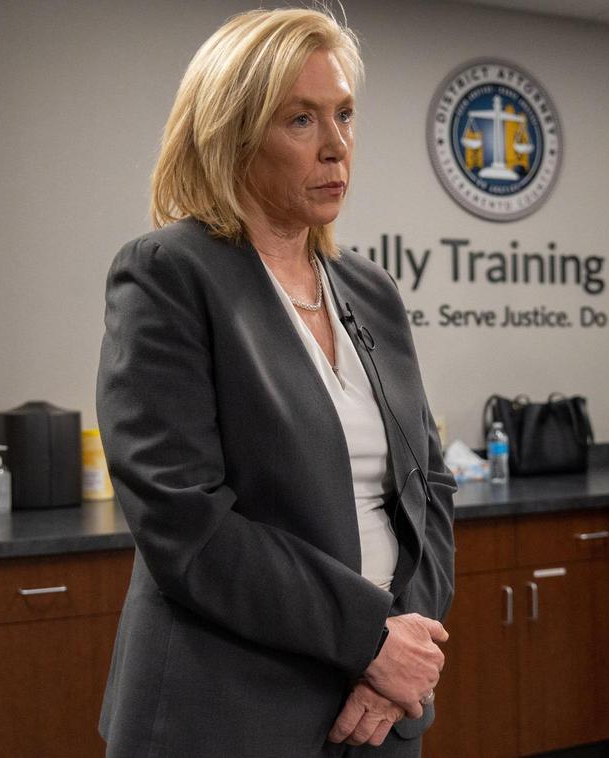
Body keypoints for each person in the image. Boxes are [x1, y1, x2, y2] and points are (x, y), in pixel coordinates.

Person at [95, 9, 456, 756]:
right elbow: (183, 518)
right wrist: (368, 637)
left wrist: (403, 657)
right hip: (229, 705)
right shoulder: (171, 273)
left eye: (345, 116)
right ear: (232, 135)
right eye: (301, 120)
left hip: (378, 708)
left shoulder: (371, 288)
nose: (336, 147)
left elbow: (430, 486)